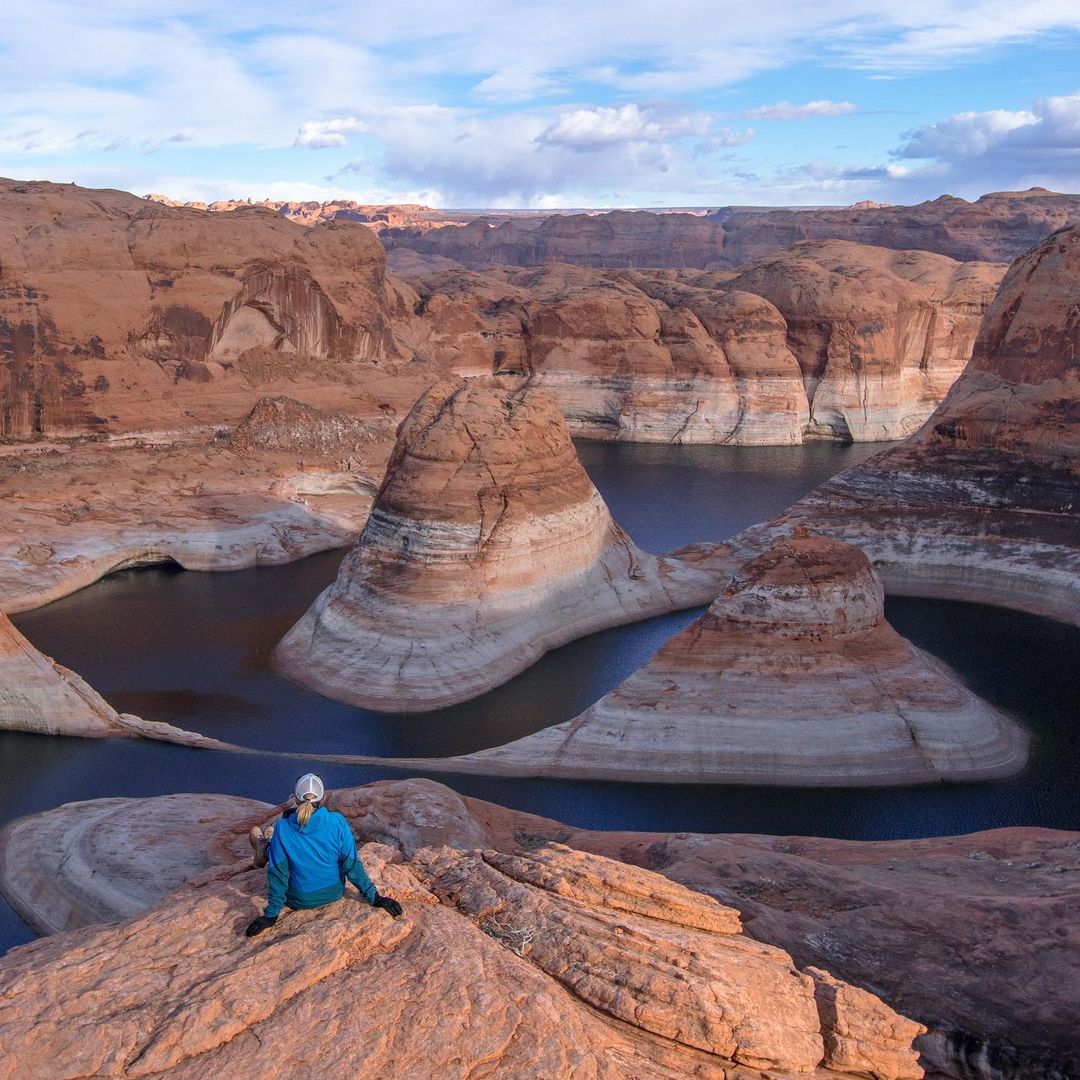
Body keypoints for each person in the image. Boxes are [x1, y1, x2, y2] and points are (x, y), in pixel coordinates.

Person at [244, 773, 402, 937]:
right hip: (333, 894)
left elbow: (278, 874)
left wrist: (271, 915)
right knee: (281, 842)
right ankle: (266, 847)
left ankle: (263, 848)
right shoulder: (337, 821)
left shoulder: (282, 827)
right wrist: (375, 898)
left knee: (276, 845)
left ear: (296, 799)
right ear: (323, 798)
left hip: (298, 901)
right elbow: (352, 865)